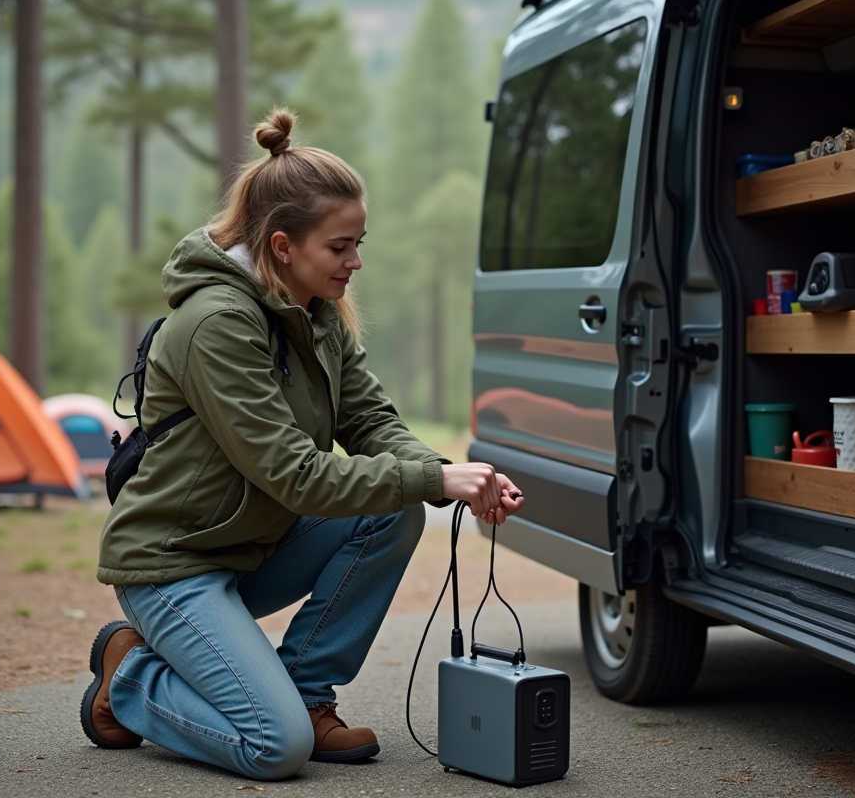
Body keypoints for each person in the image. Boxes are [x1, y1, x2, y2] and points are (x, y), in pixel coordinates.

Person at [81, 107, 525, 781]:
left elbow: (371, 422)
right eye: (340, 246)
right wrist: (438, 484)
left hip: (252, 549)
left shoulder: (316, 315)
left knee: (392, 509)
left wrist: (447, 473)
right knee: (273, 747)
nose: (355, 262)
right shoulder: (217, 325)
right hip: (173, 565)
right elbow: (295, 476)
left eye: (359, 242)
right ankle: (131, 675)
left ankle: (307, 693)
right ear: (283, 246)